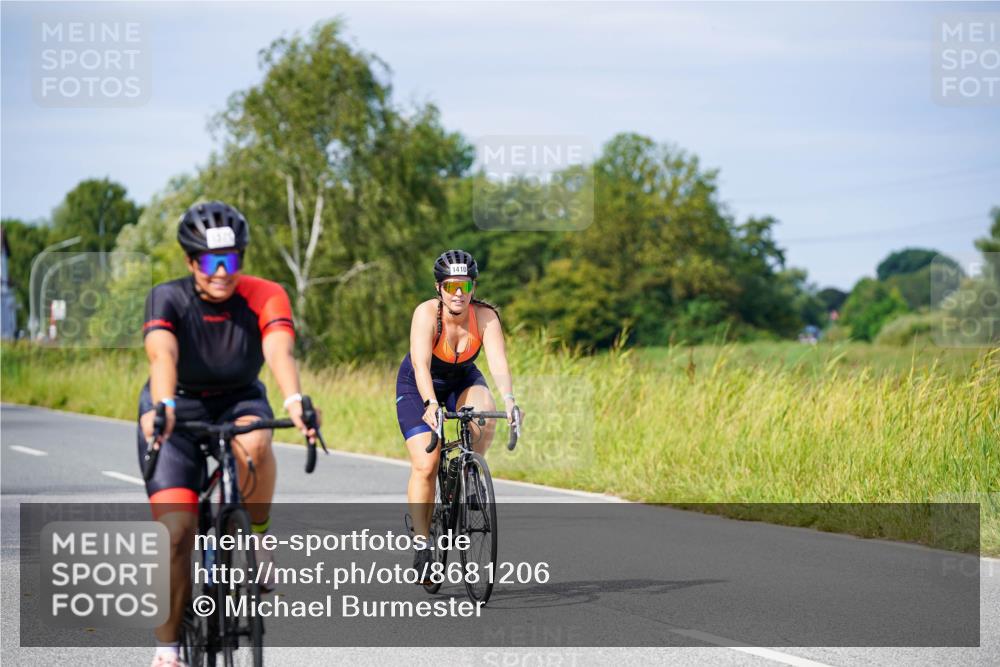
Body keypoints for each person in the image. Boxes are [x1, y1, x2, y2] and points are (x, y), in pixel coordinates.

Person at [137, 201, 316, 667]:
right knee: (177, 533)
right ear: (190, 261)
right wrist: (164, 407)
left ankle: (257, 535)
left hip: (240, 398)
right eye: (210, 261)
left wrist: (295, 401)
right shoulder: (168, 297)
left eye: (231, 260)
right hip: (177, 404)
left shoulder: (265, 293)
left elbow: (279, 349)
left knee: (256, 441)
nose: (221, 272)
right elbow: (162, 355)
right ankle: (168, 649)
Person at [395, 249, 519, 580]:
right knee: (426, 463)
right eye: (451, 287)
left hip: (461, 379)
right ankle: (422, 545)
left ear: (474, 287)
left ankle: (469, 470)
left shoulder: (486, 317)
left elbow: (498, 363)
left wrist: (509, 399)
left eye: (465, 286)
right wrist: (431, 404)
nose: (459, 294)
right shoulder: (426, 314)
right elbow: (420, 365)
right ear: (439, 289)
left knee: (484, 410)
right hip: (418, 385)